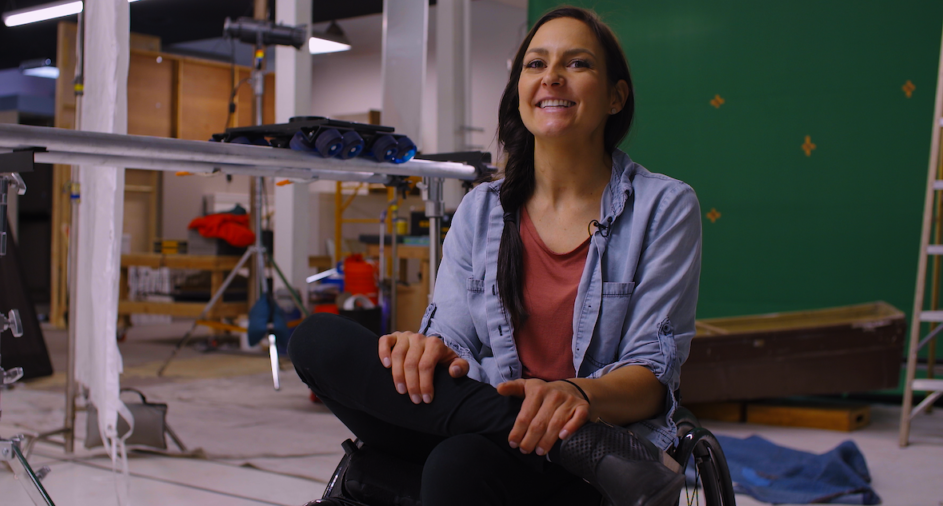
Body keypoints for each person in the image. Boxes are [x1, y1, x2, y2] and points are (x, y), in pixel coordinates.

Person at [290, 6, 702, 506]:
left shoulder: (663, 206)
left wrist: (576, 395)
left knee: (455, 465)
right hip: (514, 432)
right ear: (520, 92)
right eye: (535, 64)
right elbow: (453, 340)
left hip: (594, 452)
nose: (551, 76)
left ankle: (564, 444)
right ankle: (579, 448)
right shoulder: (480, 210)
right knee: (316, 341)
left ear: (616, 96)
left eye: (577, 64)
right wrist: (426, 351)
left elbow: (651, 377)